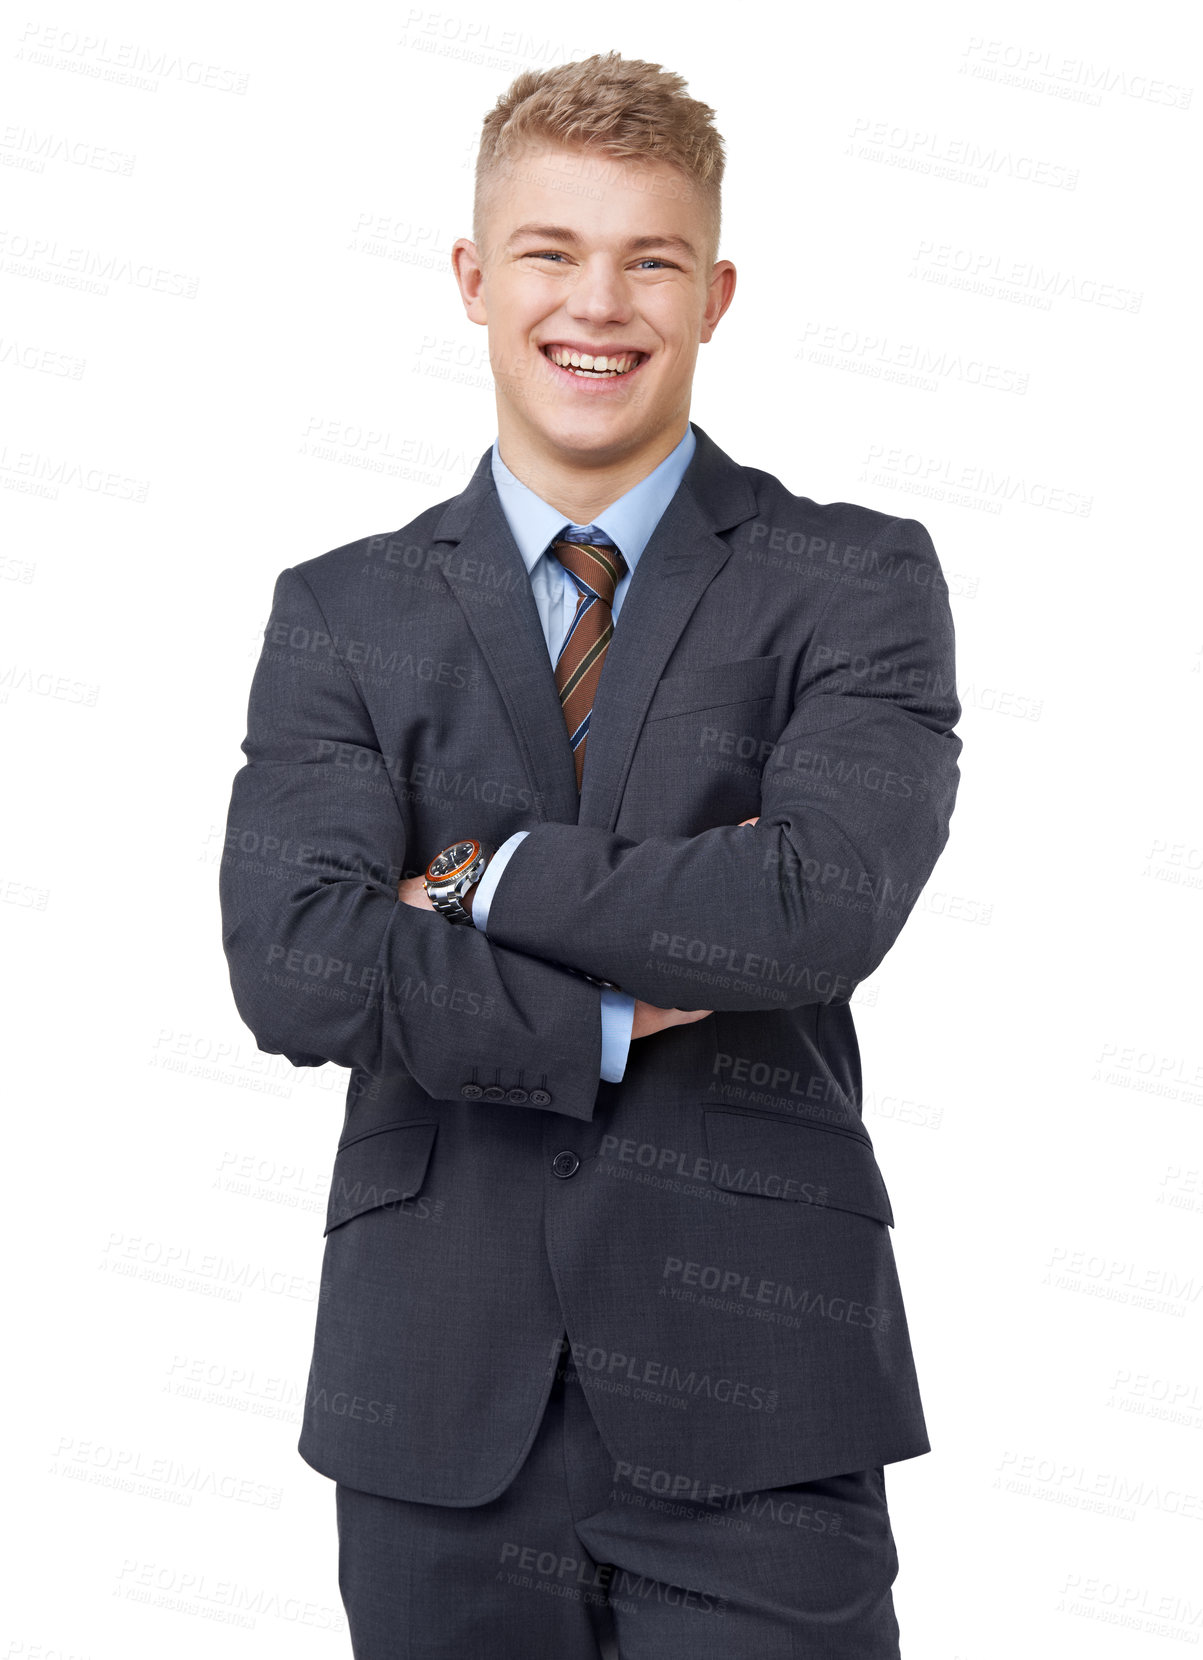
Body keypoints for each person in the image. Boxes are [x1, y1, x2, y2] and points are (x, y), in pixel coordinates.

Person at [219, 50, 962, 1659]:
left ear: (718, 293)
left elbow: (809, 910)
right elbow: (293, 957)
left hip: (764, 1391)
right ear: (478, 280)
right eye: (552, 252)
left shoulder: (852, 580)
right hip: (435, 1390)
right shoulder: (343, 612)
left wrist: (471, 881)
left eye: (652, 258)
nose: (598, 303)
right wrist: (611, 1013)